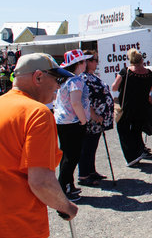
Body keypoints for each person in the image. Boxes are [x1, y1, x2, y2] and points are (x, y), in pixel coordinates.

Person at [0, 53, 78, 237]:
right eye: (57, 79)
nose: (59, 86)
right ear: (38, 77)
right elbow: (41, 181)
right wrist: (66, 206)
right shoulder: (37, 113)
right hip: (19, 224)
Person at [53, 49, 92, 200]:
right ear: (78, 63)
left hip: (63, 121)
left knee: (67, 155)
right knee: (72, 156)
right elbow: (76, 102)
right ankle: (63, 188)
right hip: (72, 122)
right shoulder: (76, 80)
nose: (86, 64)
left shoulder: (65, 79)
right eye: (83, 61)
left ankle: (68, 184)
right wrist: (83, 120)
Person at [111, 49, 152, 167]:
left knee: (123, 131)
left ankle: (130, 157)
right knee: (136, 131)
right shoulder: (149, 74)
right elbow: (149, 91)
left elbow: (114, 87)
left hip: (127, 107)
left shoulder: (125, 72)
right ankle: (138, 153)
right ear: (142, 60)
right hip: (142, 107)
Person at [78, 50, 114, 186]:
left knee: (93, 146)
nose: (96, 62)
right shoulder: (84, 78)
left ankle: (91, 170)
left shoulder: (93, 76)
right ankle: (83, 175)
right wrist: (94, 115)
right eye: (93, 60)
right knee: (86, 147)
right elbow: (86, 99)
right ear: (86, 62)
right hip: (92, 120)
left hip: (99, 120)